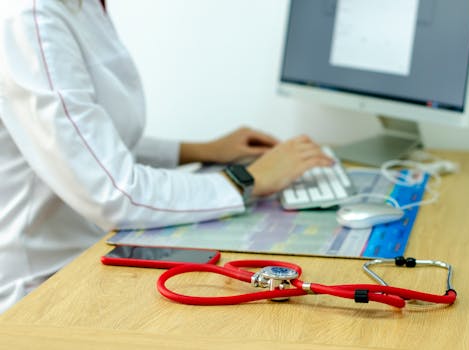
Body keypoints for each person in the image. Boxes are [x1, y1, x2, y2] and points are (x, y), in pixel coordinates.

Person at [0, 0, 333, 313]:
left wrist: (199, 151)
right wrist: (248, 180)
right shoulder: (29, 18)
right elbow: (113, 193)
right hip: (40, 290)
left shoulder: (81, 5)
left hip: (91, 253)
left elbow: (86, 143)